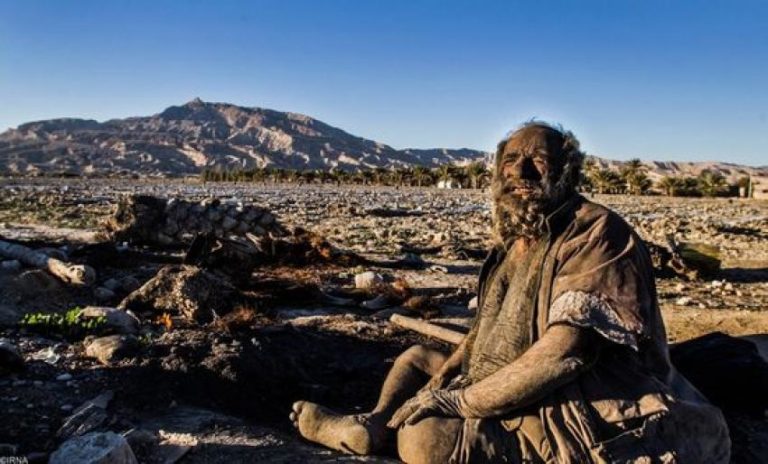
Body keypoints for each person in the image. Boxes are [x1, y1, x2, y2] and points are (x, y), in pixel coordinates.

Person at [290, 122, 731, 463]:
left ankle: (402, 433)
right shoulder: (513, 243)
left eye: (538, 160)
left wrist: (456, 400)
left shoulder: (595, 232)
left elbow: (566, 354)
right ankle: (374, 424)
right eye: (511, 160)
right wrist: (447, 375)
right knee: (417, 359)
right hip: (501, 379)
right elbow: (483, 333)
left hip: (577, 398)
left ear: (566, 171)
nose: (520, 171)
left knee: (426, 437)